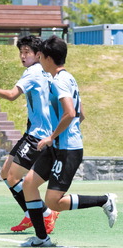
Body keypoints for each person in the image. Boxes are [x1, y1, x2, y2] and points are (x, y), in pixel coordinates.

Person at [19, 36, 118, 247]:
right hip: (58, 146)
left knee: (54, 201)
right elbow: (81, 113)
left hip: (66, 149)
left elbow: (70, 112)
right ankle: (42, 238)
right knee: (29, 184)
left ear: (47, 58)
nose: (38, 59)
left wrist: (52, 136)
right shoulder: (68, 77)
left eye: (39, 56)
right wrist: (64, 133)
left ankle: (104, 200)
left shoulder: (60, 81)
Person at [0, 35, 59, 234]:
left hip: (38, 135)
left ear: (37, 54)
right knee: (5, 173)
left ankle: (45, 213)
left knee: (13, 177)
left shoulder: (33, 72)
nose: (22, 56)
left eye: (26, 52)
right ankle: (33, 214)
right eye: (20, 52)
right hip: (33, 131)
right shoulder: (45, 70)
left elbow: (13, 95)